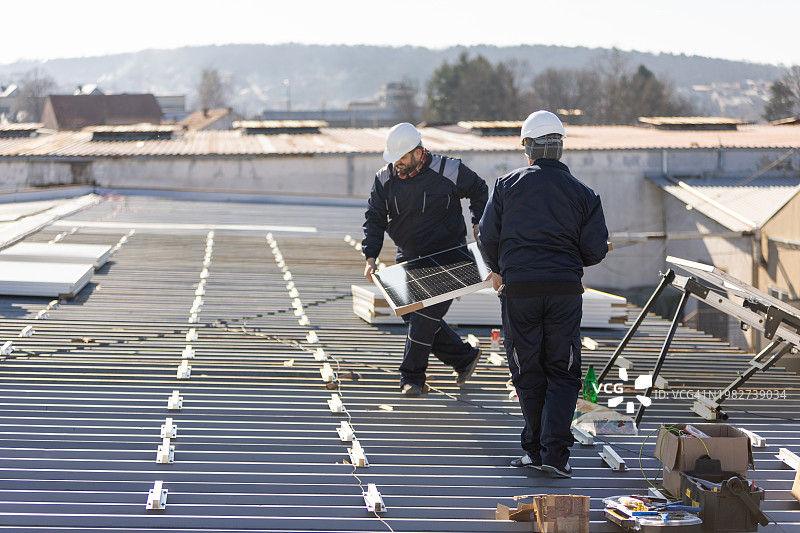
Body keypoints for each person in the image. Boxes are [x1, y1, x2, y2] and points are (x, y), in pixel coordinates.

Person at [478, 110, 608, 478]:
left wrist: (501, 267)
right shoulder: (585, 195)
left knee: (527, 370)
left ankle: (534, 452)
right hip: (565, 293)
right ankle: (555, 456)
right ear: (561, 149)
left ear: (527, 148)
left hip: (520, 293)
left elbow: (487, 237)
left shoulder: (505, 186)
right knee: (563, 373)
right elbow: (595, 251)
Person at [363, 122, 488, 396]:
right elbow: (374, 217)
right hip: (410, 257)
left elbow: (479, 190)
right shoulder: (385, 179)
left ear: (419, 152)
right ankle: (463, 357)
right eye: (394, 158)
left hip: (449, 258)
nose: (398, 163)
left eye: (403, 158)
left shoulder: (449, 170)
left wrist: (479, 223)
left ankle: (412, 378)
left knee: (422, 315)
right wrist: (370, 256)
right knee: (411, 315)